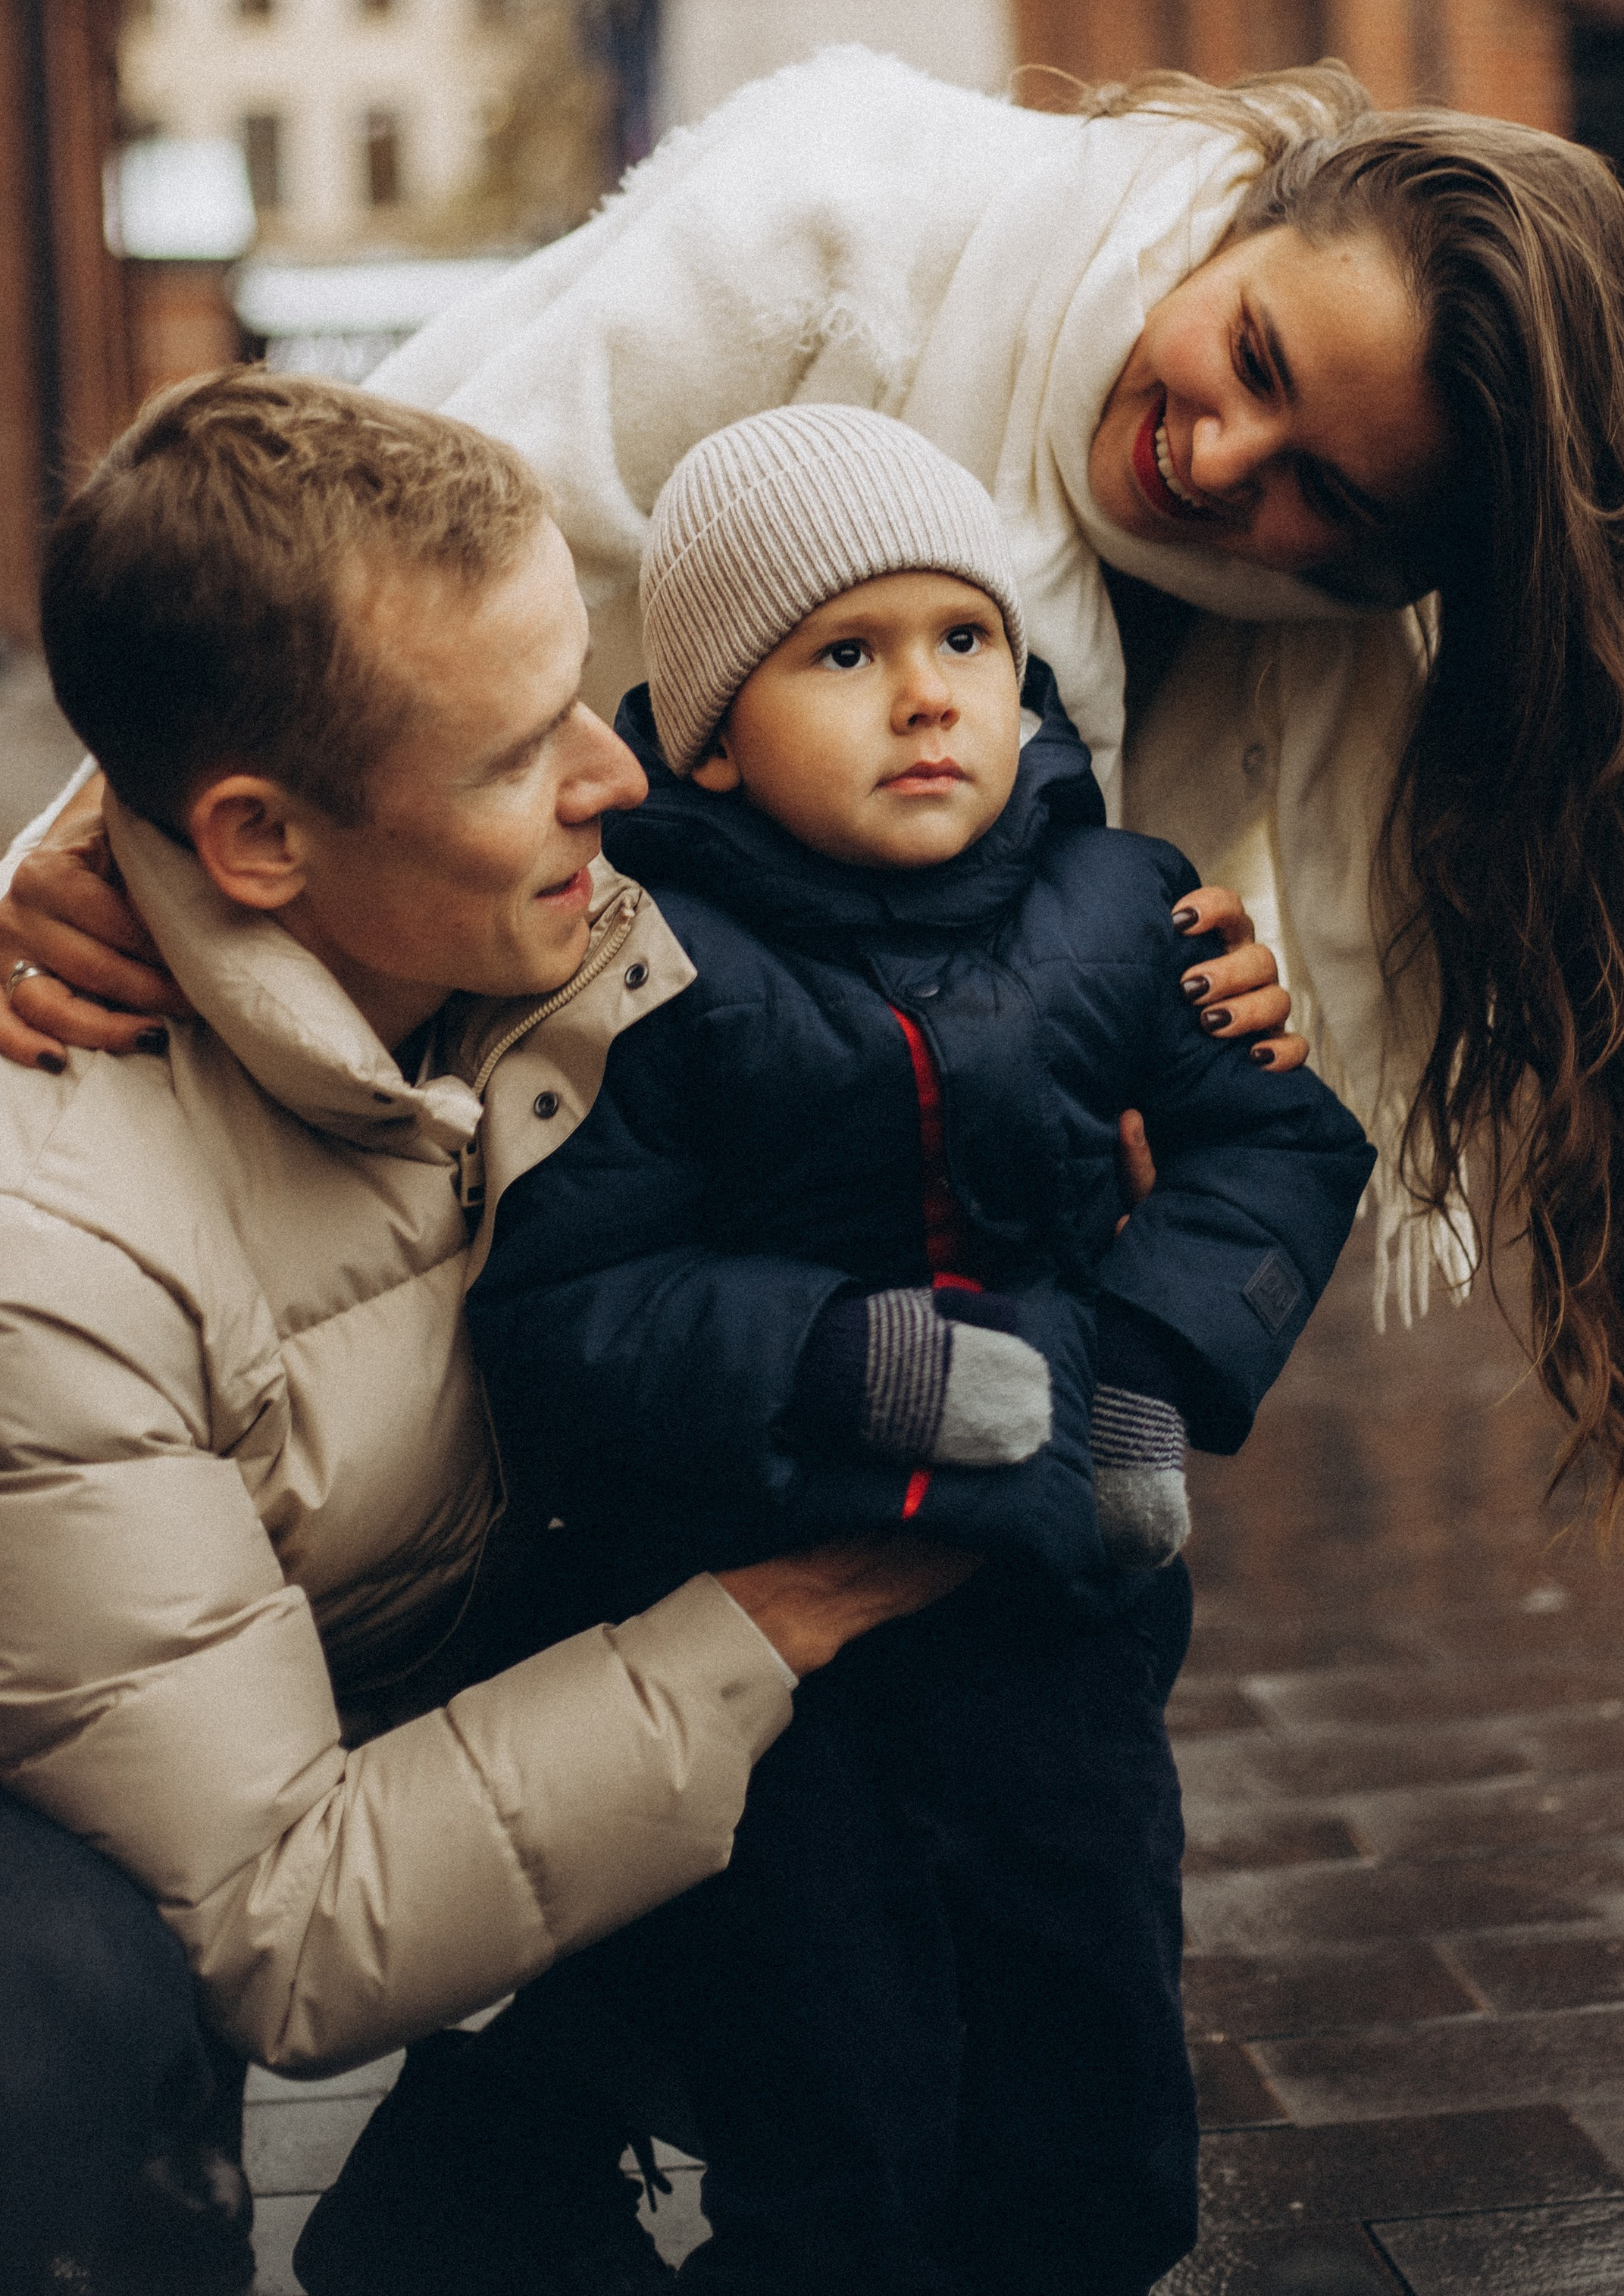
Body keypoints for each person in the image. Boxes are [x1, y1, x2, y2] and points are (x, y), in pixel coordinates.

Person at [4, 47, 1624, 1508]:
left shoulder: (1276, 630)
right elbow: (356, 556)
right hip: (412, 980)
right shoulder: (844, 216)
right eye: (1250, 355)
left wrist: (1187, 984)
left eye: (1328, 491)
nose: (1219, 461)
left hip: (723, 1204)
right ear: (1246, 215)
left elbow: (1036, 938)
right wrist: (124, 820)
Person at [0, 374, 978, 2296]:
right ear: (261, 840)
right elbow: (282, 1917)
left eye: (586, 699)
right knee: (71, 2001)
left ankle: (502, 2167)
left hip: (389, 1630)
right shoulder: (53, 1254)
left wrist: (1174, 1025)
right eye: (523, 753)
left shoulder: (549, 921)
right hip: (98, 1818)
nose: (614, 780)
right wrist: (787, 1608)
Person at [375, 405, 1368, 2296]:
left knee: (1093, 2091)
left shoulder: (1118, 905)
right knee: (840, 2120)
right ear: (716, 739)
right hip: (775, 1647)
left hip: (1058, 1627)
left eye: (961, 641)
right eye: (845, 654)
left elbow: (1281, 1146)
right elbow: (572, 1301)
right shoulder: (649, 960)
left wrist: (1142, 1378)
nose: (924, 697)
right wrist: (852, 1362)